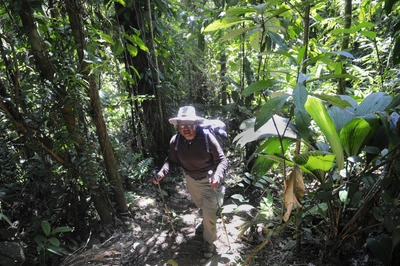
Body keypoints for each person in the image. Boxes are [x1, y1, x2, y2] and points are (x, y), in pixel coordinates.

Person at [152, 106, 228, 258]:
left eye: (188, 124)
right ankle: (206, 222)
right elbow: (171, 161)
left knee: (209, 214)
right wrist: (161, 173)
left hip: (210, 181)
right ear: (178, 125)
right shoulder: (176, 141)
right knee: (201, 205)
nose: (185, 128)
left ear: (195, 124)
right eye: (182, 124)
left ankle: (209, 243)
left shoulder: (207, 138)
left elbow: (222, 160)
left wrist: (218, 176)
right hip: (191, 180)